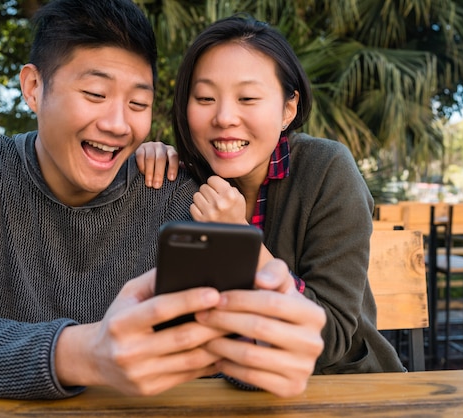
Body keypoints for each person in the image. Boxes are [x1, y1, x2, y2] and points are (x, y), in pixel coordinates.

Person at [0, 0, 325, 400]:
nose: (117, 124)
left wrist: (268, 338)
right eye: (94, 93)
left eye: (138, 103)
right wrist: (84, 353)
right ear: (34, 88)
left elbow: (223, 355)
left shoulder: (175, 195)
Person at [167, 15, 405, 374]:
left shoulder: (327, 170)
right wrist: (150, 159)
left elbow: (330, 338)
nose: (224, 117)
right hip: (229, 389)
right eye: (204, 98)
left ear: (288, 109)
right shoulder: (184, 181)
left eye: (247, 97)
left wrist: (240, 242)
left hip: (342, 389)